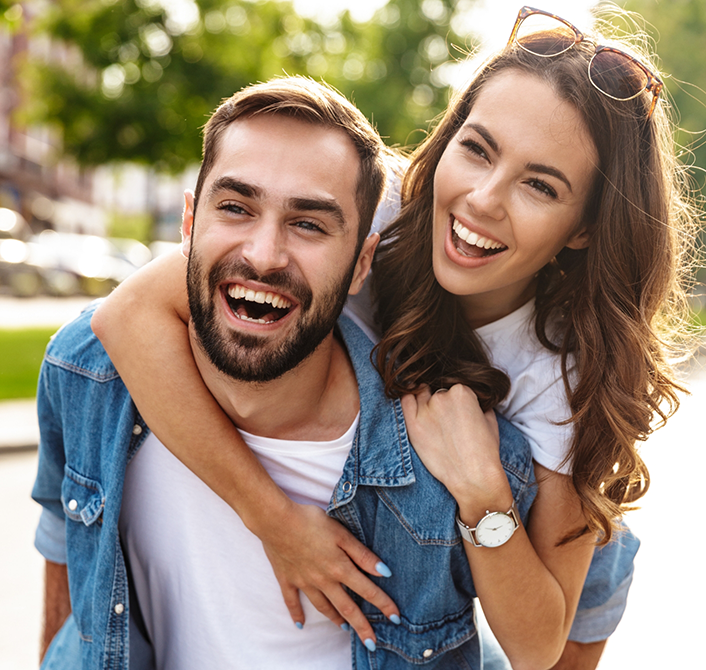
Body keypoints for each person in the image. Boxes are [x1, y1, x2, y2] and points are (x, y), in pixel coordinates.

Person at [88, 6, 696, 668]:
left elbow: (538, 642)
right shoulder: (377, 210)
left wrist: (482, 490)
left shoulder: (565, 369)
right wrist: (275, 522)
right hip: (436, 521)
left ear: (582, 228)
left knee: (596, 562)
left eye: (541, 186)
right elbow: (126, 317)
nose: (483, 200)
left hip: (542, 545)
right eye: (477, 148)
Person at [33, 75, 537, 670]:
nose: (264, 255)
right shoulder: (87, 374)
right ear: (189, 223)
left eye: (309, 224)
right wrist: (272, 519)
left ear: (361, 265)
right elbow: (69, 573)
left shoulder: (462, 464)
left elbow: (552, 631)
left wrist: (486, 500)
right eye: (235, 208)